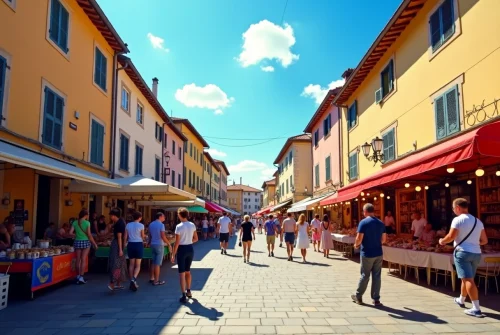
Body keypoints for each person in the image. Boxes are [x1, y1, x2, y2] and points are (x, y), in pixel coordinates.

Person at [439, 198, 488, 318]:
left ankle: (476, 308)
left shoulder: (458, 219)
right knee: (466, 278)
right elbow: (484, 240)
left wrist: (441, 241)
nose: (453, 210)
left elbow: (451, 236)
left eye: (453, 208)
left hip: (462, 252)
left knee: (468, 280)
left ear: (458, 208)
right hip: (476, 253)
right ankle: (461, 299)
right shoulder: (478, 221)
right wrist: (473, 243)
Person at [351, 203, 386, 306]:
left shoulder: (363, 222)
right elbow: (384, 240)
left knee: (365, 275)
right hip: (378, 253)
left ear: (365, 211)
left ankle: (358, 296)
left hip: (367, 253)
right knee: (377, 276)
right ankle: (376, 299)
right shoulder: (380, 223)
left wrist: (356, 245)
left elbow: (359, 238)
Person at [171, 207, 198, 303]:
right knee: (188, 271)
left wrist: (173, 254)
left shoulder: (179, 226)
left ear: (179, 215)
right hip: (190, 248)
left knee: (181, 273)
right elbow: (196, 239)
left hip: (182, 249)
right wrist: (189, 241)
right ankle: (189, 290)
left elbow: (177, 242)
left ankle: (183, 294)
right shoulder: (192, 225)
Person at [69, 209, 98, 284]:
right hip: (85, 242)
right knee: (83, 259)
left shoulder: (75, 222)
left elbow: (70, 233)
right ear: (86, 215)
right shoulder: (87, 223)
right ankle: (81, 277)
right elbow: (89, 234)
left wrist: (76, 235)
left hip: (77, 242)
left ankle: (78, 275)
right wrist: (94, 244)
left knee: (78, 259)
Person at [148, 212, 172, 286]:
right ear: (160, 216)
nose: (164, 218)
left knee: (153, 262)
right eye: (163, 216)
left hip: (152, 244)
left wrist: (149, 242)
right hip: (159, 244)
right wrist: (168, 244)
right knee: (157, 264)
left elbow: (149, 235)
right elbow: (163, 236)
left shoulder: (151, 224)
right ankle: (156, 281)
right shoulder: (161, 225)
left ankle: (152, 277)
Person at [124, 211, 145, 291]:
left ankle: (131, 280)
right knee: (138, 264)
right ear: (139, 217)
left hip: (130, 244)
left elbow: (125, 237)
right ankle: (134, 279)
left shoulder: (128, 225)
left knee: (131, 264)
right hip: (138, 244)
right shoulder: (141, 225)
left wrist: (123, 245)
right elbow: (142, 236)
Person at [108, 208, 127, 291]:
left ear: (114, 215)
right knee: (119, 264)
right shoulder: (121, 222)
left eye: (111, 216)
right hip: (119, 244)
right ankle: (118, 283)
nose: (110, 217)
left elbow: (119, 237)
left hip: (117, 245)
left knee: (115, 264)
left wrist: (120, 249)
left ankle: (113, 282)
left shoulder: (119, 223)